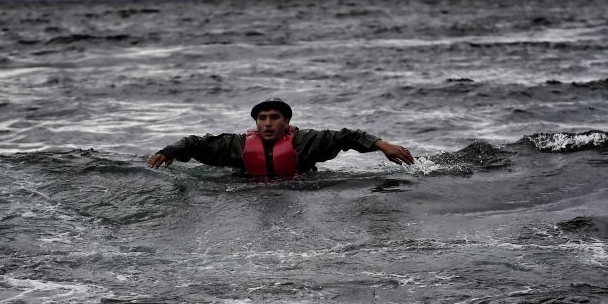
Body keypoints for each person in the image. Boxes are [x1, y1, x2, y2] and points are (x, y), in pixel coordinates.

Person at [147, 99, 414, 177]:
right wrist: (169, 150)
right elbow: (196, 143)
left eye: (274, 117)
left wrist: (382, 145)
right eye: (262, 118)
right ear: (255, 123)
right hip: (246, 190)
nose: (267, 123)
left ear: (286, 122)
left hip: (300, 188)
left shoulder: (306, 141)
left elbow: (348, 136)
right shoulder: (238, 145)